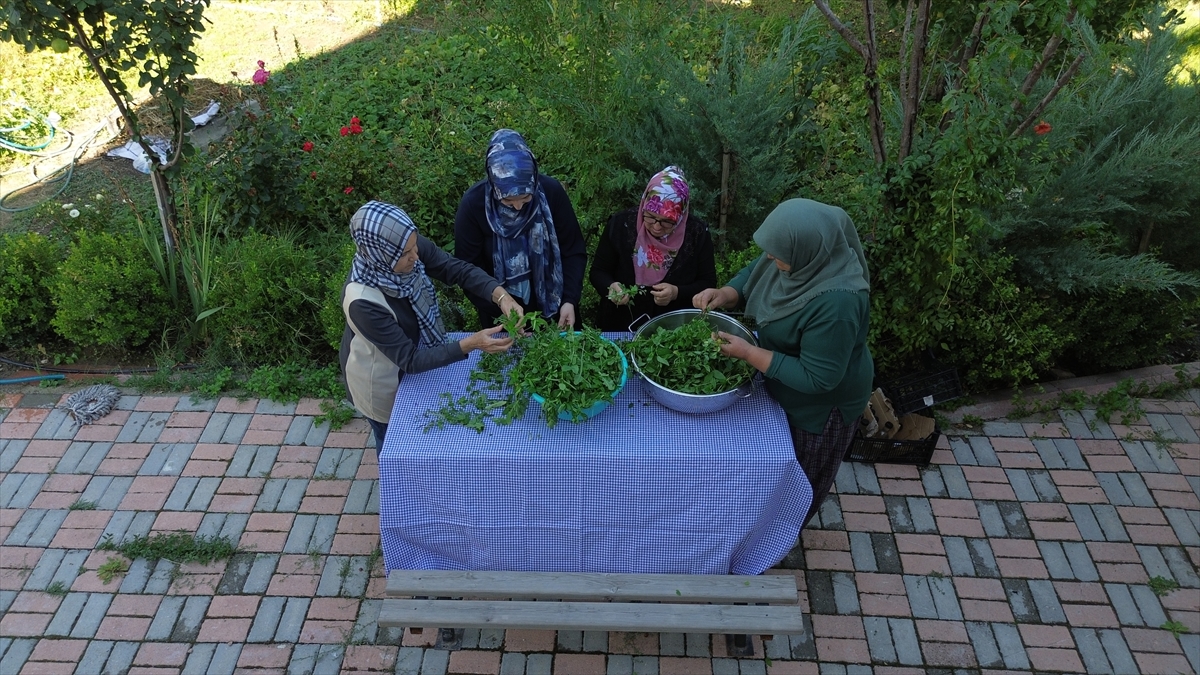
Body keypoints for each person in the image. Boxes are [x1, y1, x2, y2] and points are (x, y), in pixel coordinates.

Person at [693, 198, 873, 527]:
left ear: (806, 252)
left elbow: (818, 378)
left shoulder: (838, 304)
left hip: (819, 408)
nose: (769, 258)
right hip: (784, 383)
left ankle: (784, 533)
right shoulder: (803, 257)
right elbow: (756, 271)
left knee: (800, 481)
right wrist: (726, 293)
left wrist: (748, 352)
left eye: (777, 255)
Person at [340, 200, 524, 454]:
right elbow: (410, 359)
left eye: (414, 246)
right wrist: (471, 344)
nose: (415, 257)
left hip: (417, 357)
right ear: (380, 255)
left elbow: (454, 268)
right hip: (382, 380)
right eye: (405, 254)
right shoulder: (362, 301)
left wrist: (501, 296)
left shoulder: (405, 244)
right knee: (394, 446)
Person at [454, 129, 586, 329]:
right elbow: (468, 271)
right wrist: (502, 308)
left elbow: (573, 251)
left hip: (558, 310)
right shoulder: (474, 206)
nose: (517, 207)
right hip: (503, 316)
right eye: (508, 201)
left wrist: (569, 299)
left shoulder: (551, 193)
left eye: (526, 198)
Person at [589, 165, 717, 332]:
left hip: (673, 330)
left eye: (667, 221)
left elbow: (708, 283)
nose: (656, 227)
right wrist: (610, 286)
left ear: (681, 216)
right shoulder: (621, 225)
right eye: (650, 217)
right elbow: (598, 271)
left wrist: (676, 293)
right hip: (619, 324)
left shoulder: (697, 234)